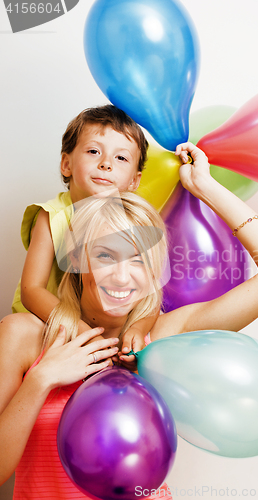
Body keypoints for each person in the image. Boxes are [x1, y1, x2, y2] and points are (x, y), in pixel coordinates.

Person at [0, 143, 258, 499]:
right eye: (103, 254)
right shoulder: (23, 336)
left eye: (138, 260)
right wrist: (41, 379)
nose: (121, 276)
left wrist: (203, 187)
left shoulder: (165, 336)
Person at [11, 104, 158, 364]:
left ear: (134, 181)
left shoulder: (132, 221)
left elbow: (150, 294)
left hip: (104, 330)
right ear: (66, 164)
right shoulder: (52, 216)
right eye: (93, 151)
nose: (105, 164)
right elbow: (31, 290)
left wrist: (138, 329)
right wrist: (83, 332)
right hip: (48, 325)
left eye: (120, 158)